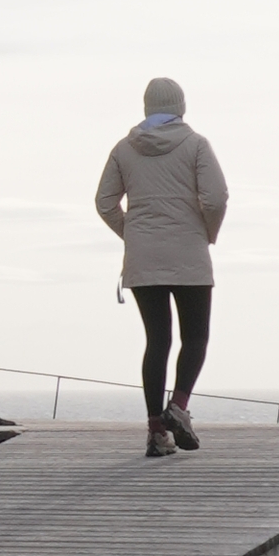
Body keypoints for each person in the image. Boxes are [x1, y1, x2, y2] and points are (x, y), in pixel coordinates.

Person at [96, 75, 227, 455]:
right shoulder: (196, 144)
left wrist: (134, 235)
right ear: (181, 107)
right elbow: (216, 198)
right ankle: (179, 407)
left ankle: (156, 432)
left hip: (143, 257)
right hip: (189, 252)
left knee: (157, 341)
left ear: (147, 108)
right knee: (195, 337)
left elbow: (104, 203)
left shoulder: (124, 149)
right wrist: (206, 233)